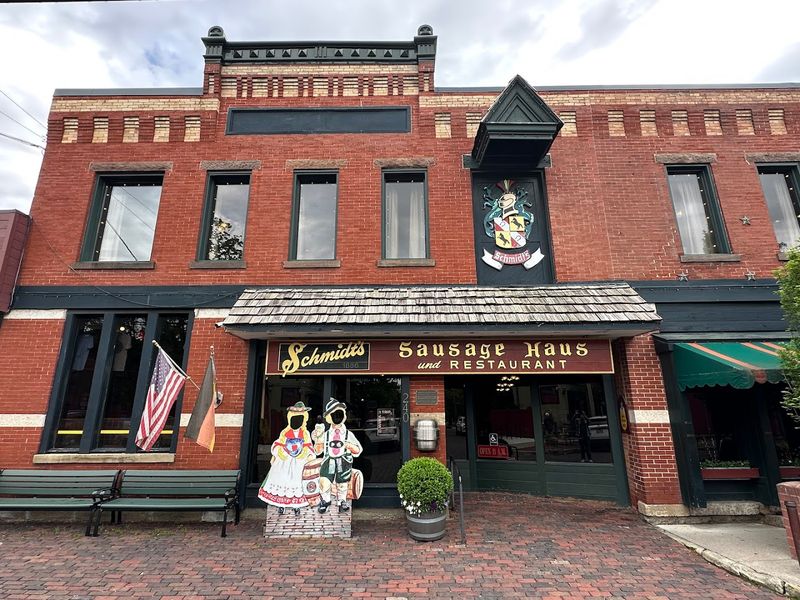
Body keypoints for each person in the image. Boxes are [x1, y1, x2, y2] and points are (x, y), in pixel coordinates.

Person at [258, 401, 316, 515]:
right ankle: (281, 505)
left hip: (299, 461)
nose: (297, 420)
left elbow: (309, 446)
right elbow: (278, 444)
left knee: (297, 483)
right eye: (295, 418)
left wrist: (307, 454)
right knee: (283, 481)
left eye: (300, 418)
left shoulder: (305, 434)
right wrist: (279, 452)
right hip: (285, 461)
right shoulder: (284, 433)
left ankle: (297, 506)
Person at [312, 398, 363, 514]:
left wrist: (349, 446)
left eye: (339, 412)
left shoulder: (348, 434)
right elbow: (317, 451)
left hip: (343, 460)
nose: (337, 416)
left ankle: (342, 501)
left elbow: (358, 450)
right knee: (324, 481)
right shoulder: (326, 435)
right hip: (328, 460)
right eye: (334, 413)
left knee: (342, 483)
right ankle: (325, 500)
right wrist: (318, 440)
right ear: (328, 417)